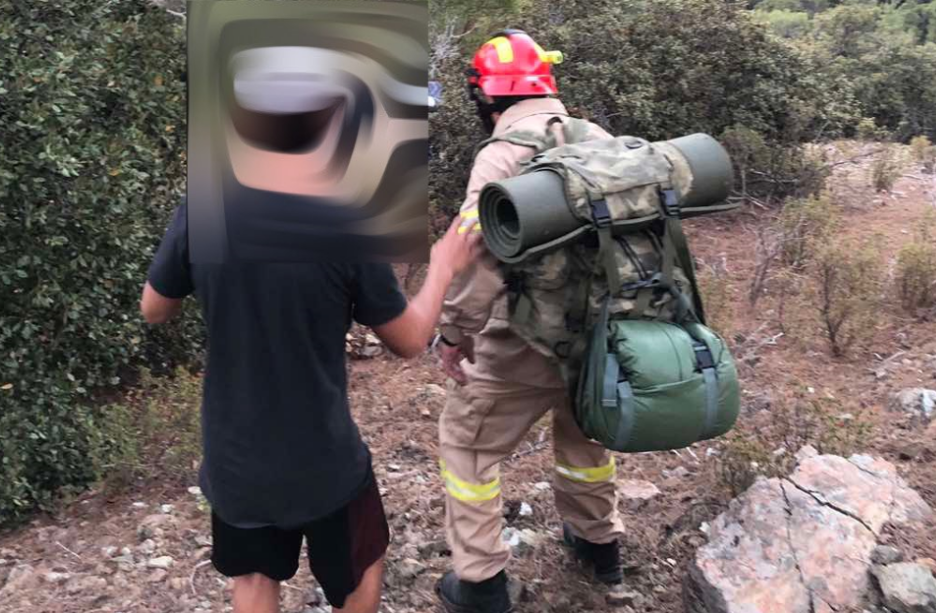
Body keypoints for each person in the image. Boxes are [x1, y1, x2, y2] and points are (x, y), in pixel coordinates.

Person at [141, 76, 479, 613]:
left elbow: (155, 308)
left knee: (253, 575)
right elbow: (410, 340)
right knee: (360, 564)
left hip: (236, 458)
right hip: (322, 458)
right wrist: (442, 266)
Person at [433, 30, 624, 613]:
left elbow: (478, 253)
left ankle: (482, 584)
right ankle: (599, 546)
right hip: (599, 332)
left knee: (467, 447)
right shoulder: (602, 139)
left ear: (486, 97)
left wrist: (454, 332)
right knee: (585, 433)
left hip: (523, 340)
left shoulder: (501, 154)